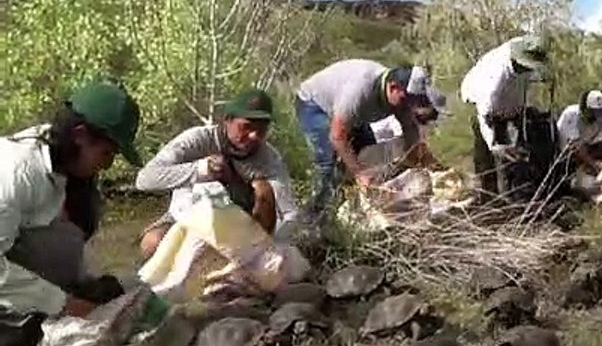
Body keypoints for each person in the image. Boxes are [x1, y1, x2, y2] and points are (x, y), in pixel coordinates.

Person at [0, 83, 142, 346]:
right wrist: (63, 304)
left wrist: (83, 289)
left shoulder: (67, 173)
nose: (108, 165)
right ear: (79, 135)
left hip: (38, 288)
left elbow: (60, 239)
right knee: (30, 332)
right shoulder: (16, 172)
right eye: (106, 153)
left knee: (112, 294)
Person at [134, 88, 298, 257]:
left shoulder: (270, 159)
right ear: (227, 120)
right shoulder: (198, 140)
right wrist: (201, 169)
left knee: (264, 189)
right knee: (152, 243)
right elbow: (145, 180)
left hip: (243, 223)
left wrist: (272, 247)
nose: (254, 136)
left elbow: (289, 213)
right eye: (246, 127)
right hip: (188, 215)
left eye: (261, 130)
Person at [294, 60, 444, 219]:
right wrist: (359, 173)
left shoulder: (401, 98)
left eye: (415, 101)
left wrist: (425, 162)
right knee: (329, 163)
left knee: (362, 151)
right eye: (408, 100)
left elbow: (410, 135)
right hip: (315, 104)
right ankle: (314, 220)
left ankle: (348, 204)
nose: (410, 106)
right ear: (393, 87)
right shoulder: (360, 90)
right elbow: (337, 136)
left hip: (351, 113)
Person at [460, 34, 551, 200]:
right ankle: (489, 200)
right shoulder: (493, 82)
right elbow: (485, 115)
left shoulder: (523, 46)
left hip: (510, 104)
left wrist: (518, 120)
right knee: (488, 154)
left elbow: (520, 92)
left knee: (517, 151)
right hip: (481, 104)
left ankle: (515, 192)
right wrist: (495, 145)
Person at [556, 90, 602, 195]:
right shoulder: (571, 115)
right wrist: (595, 165)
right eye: (594, 113)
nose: (596, 117)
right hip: (566, 157)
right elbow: (575, 147)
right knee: (590, 185)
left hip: (589, 148)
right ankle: (573, 181)